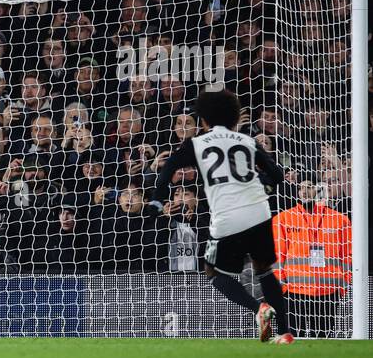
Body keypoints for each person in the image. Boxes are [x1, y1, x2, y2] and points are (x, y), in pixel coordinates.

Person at [148, 88, 293, 344]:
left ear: (203, 120)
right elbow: (277, 174)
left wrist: (158, 200)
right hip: (259, 210)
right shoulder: (247, 140)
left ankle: (258, 309)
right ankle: (285, 333)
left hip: (227, 215)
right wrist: (266, 185)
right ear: (235, 118)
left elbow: (169, 166)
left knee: (213, 272)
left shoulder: (197, 143)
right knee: (264, 270)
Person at [272, 179, 352, 337]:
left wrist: (342, 285)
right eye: (301, 188)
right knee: (293, 339)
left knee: (324, 340)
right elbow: (277, 255)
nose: (304, 191)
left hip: (328, 290)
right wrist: (283, 286)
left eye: (309, 187)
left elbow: (348, 255)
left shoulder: (340, 220)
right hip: (294, 290)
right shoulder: (282, 219)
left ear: (318, 189)